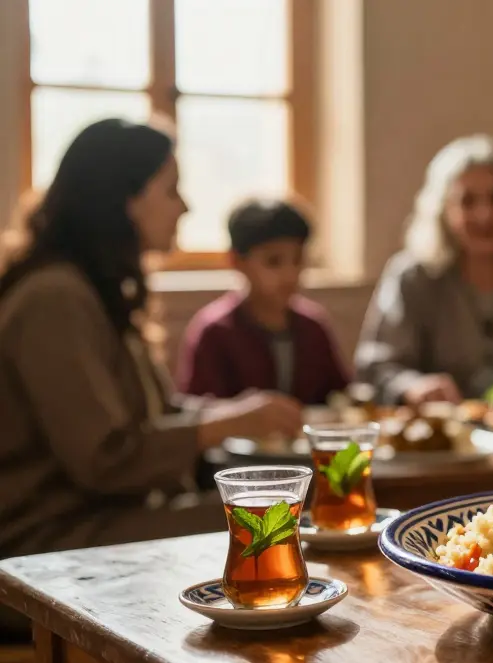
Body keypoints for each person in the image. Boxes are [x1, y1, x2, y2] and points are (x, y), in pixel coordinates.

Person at [0, 119, 303, 561]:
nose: (185, 206)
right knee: (282, 518)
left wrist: (241, 413)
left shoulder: (94, 288)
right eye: (171, 190)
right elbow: (105, 460)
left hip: (101, 516)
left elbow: (154, 413)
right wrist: (223, 425)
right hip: (45, 537)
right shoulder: (54, 297)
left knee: (280, 500)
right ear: (124, 200)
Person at [356, 134, 493, 404]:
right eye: (467, 201)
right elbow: (376, 367)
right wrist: (413, 387)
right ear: (443, 212)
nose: (484, 215)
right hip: (439, 438)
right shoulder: (412, 278)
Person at [175, 199, 351, 404]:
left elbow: (339, 394)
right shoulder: (215, 332)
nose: (290, 274)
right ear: (237, 262)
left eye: (297, 260)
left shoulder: (313, 327)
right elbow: (199, 414)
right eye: (273, 261)